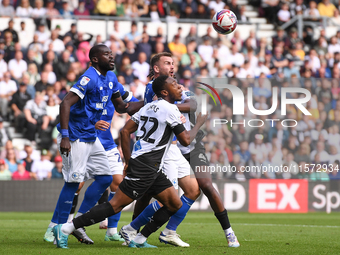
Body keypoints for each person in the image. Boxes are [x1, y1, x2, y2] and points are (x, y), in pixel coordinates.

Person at [52, 75, 207, 249]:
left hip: (149, 164)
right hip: (146, 165)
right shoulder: (171, 110)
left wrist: (128, 160)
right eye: (175, 85)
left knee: (174, 203)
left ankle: (138, 236)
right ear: (164, 92)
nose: (180, 87)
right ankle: (66, 228)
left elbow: (125, 131)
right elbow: (185, 140)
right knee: (115, 205)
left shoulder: (148, 107)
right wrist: (199, 122)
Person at [43, 44, 135, 245]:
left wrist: (150, 104)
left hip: (91, 136)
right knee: (73, 183)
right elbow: (65, 102)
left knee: (105, 178)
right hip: (75, 136)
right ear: (94, 59)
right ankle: (57, 228)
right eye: (106, 55)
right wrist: (65, 136)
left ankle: (77, 223)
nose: (112, 57)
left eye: (111, 54)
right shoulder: (90, 77)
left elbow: (121, 106)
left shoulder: (110, 78)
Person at [121, 52, 201, 247]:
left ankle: (169, 231)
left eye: (173, 63)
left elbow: (191, 104)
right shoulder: (153, 89)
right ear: (156, 69)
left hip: (172, 149)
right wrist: (181, 104)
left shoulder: (170, 89)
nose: (172, 66)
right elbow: (170, 107)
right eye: (167, 63)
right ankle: (132, 231)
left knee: (192, 190)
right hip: (161, 152)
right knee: (168, 199)